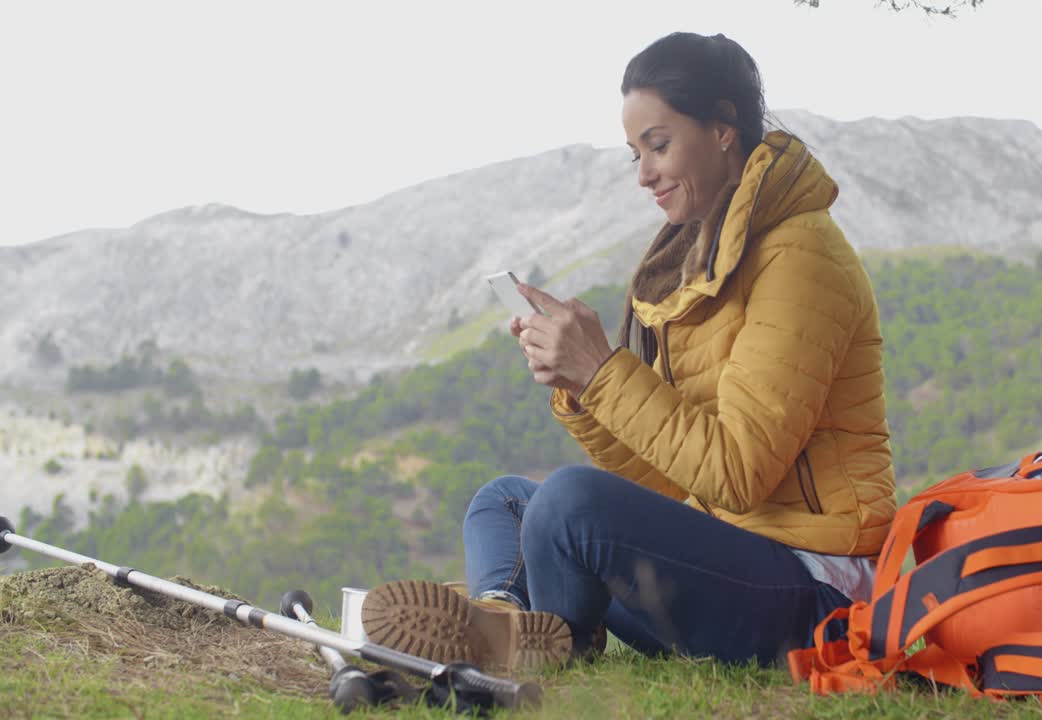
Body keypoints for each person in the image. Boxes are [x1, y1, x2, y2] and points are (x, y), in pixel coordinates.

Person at [360, 31, 896, 674]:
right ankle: (506, 617)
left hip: (816, 589)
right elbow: (677, 484)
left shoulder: (798, 254)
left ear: (723, 128)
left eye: (659, 145)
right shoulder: (703, 257)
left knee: (567, 506)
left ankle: (527, 648)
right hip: (732, 551)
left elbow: (737, 472)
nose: (644, 175)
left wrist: (604, 372)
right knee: (505, 500)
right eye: (635, 153)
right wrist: (585, 390)